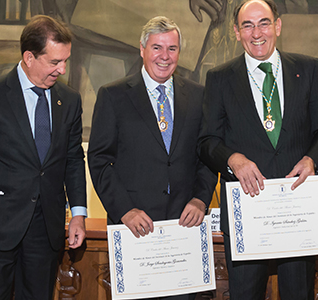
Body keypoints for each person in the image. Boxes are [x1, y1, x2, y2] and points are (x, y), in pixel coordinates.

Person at [197, 0, 318, 299]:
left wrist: (313, 159)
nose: (256, 32)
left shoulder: (308, 69)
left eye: (263, 22)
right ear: (236, 32)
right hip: (246, 214)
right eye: (247, 25)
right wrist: (233, 159)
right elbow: (206, 141)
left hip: (298, 210)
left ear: (278, 25)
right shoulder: (219, 78)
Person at [0, 15, 87, 300]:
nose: (62, 69)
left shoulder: (70, 100)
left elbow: (74, 159)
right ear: (29, 57)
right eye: (54, 62)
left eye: (65, 60)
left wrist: (78, 214)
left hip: (46, 232)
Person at [88, 16, 217, 300]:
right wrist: (124, 210)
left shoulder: (198, 96)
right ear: (142, 49)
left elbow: (207, 154)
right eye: (157, 47)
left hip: (185, 227)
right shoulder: (113, 96)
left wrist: (200, 199)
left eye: (172, 48)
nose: (165, 56)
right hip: (135, 227)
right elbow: (99, 160)